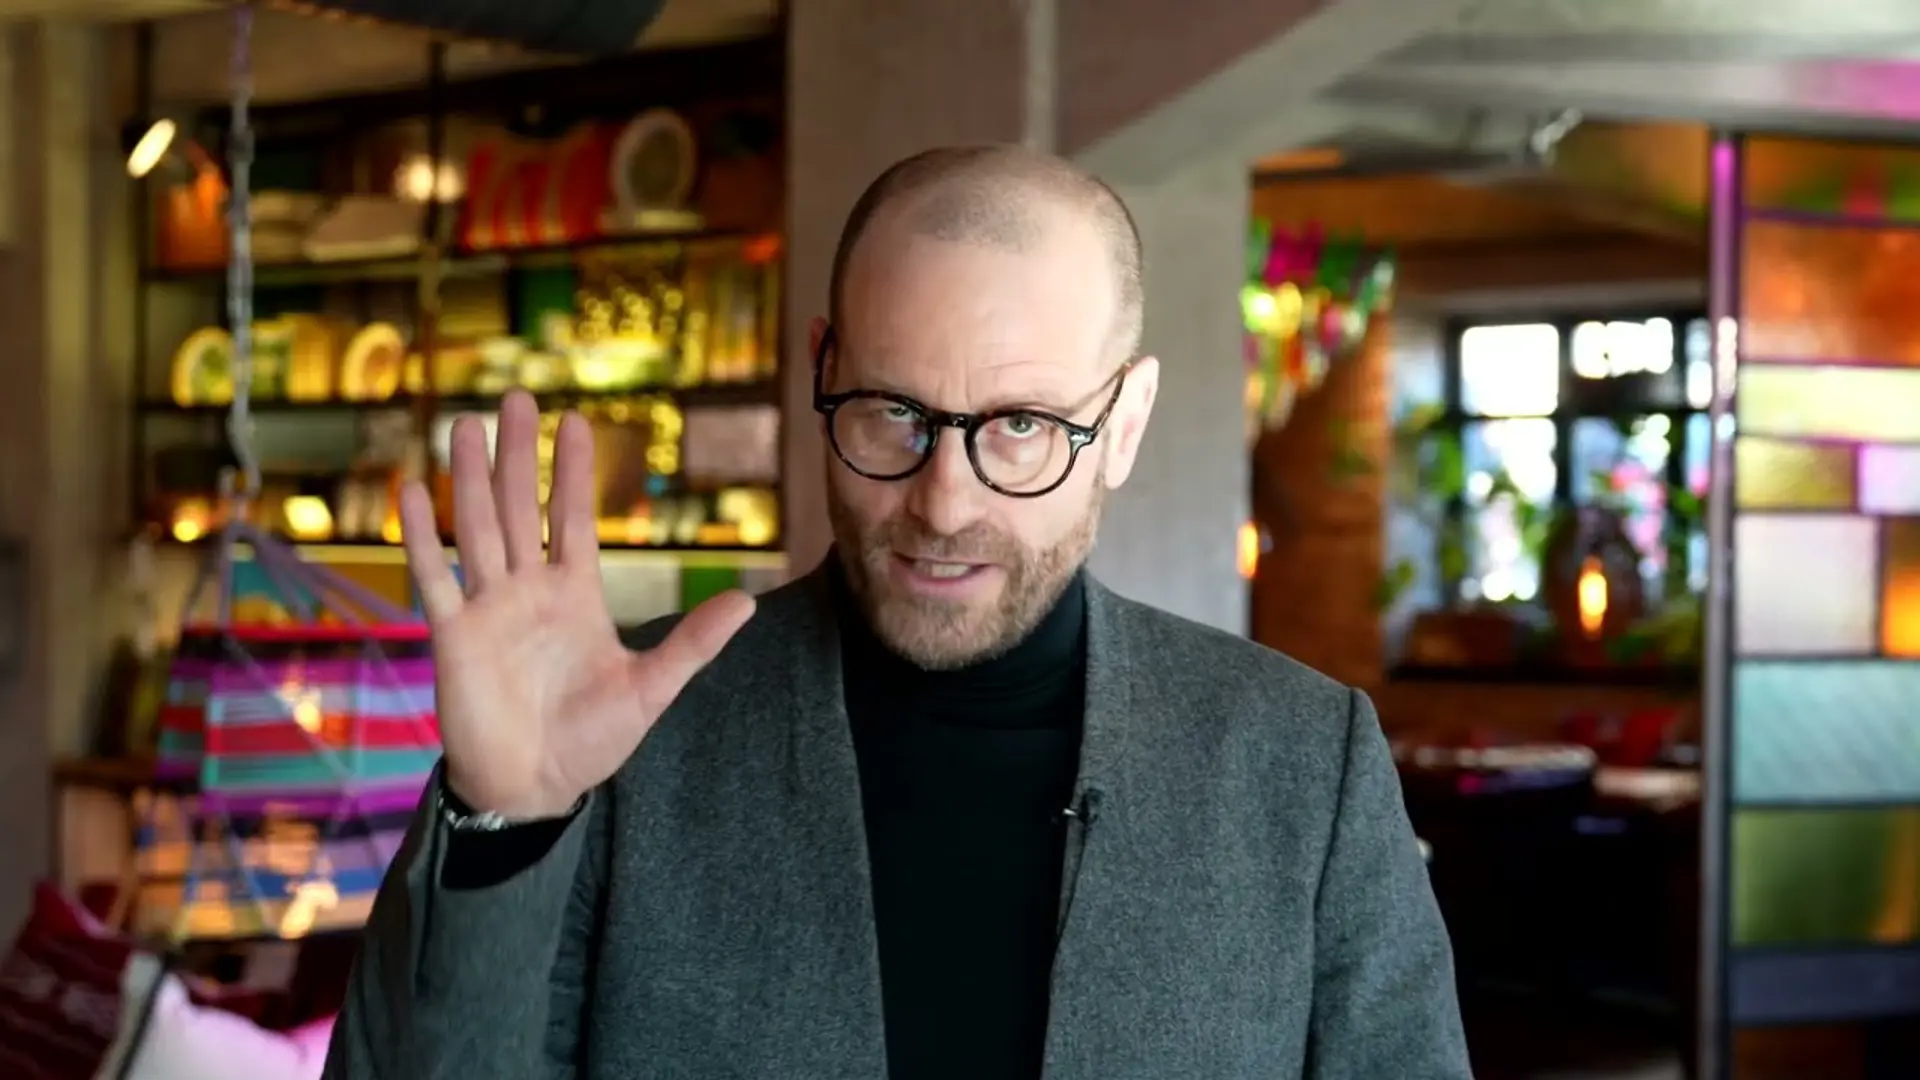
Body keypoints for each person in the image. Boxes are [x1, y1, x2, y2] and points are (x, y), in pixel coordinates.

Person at [324, 144, 1469, 1080]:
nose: (943, 501)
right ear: (822, 370)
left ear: (1123, 424)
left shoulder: (1302, 764)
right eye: (892, 412)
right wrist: (506, 826)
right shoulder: (622, 737)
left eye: (1022, 426)